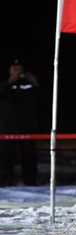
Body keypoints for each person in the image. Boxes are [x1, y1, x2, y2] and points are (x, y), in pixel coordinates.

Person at [0, 58, 40, 186]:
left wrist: (35, 83)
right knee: (7, 157)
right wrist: (10, 81)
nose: (17, 71)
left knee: (29, 156)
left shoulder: (28, 83)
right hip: (8, 127)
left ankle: (30, 182)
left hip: (26, 127)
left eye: (19, 68)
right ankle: (5, 182)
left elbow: (40, 98)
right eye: (14, 68)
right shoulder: (5, 84)